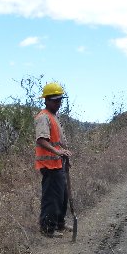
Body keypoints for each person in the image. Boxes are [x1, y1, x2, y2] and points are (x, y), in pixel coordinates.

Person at [34, 82, 73, 237]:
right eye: (55, 100)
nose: (58, 103)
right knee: (51, 198)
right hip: (48, 165)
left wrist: (65, 156)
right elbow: (41, 140)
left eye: (59, 100)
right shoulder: (43, 117)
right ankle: (47, 228)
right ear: (46, 100)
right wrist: (57, 152)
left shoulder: (54, 117)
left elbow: (59, 142)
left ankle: (59, 223)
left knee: (62, 196)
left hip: (58, 163)